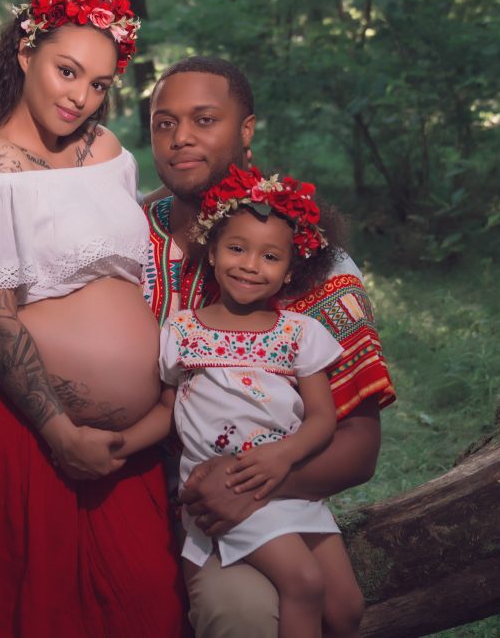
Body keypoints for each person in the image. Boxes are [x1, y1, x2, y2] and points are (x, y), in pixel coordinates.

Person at [0, 56, 396, 637]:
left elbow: (358, 448)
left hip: (241, 508)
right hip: (106, 479)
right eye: (164, 122)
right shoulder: (119, 233)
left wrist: (237, 486)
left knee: (239, 613)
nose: (181, 137)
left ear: (246, 131)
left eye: (205, 120)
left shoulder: (308, 264)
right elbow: (11, 326)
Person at [0, 0, 186, 637]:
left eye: (98, 84)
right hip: (23, 420)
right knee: (34, 613)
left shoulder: (107, 151)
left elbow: (118, 243)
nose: (79, 96)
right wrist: (60, 434)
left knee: (144, 601)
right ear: (25, 52)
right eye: (66, 71)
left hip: (128, 443)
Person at [116, 163, 364, 638]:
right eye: (236, 248)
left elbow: (321, 419)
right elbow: (169, 413)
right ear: (211, 253)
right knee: (305, 583)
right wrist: (119, 442)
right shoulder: (183, 330)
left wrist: (282, 457)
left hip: (284, 479)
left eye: (270, 257)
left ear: (290, 270)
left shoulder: (300, 334)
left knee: (347, 608)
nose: (250, 265)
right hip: (225, 490)